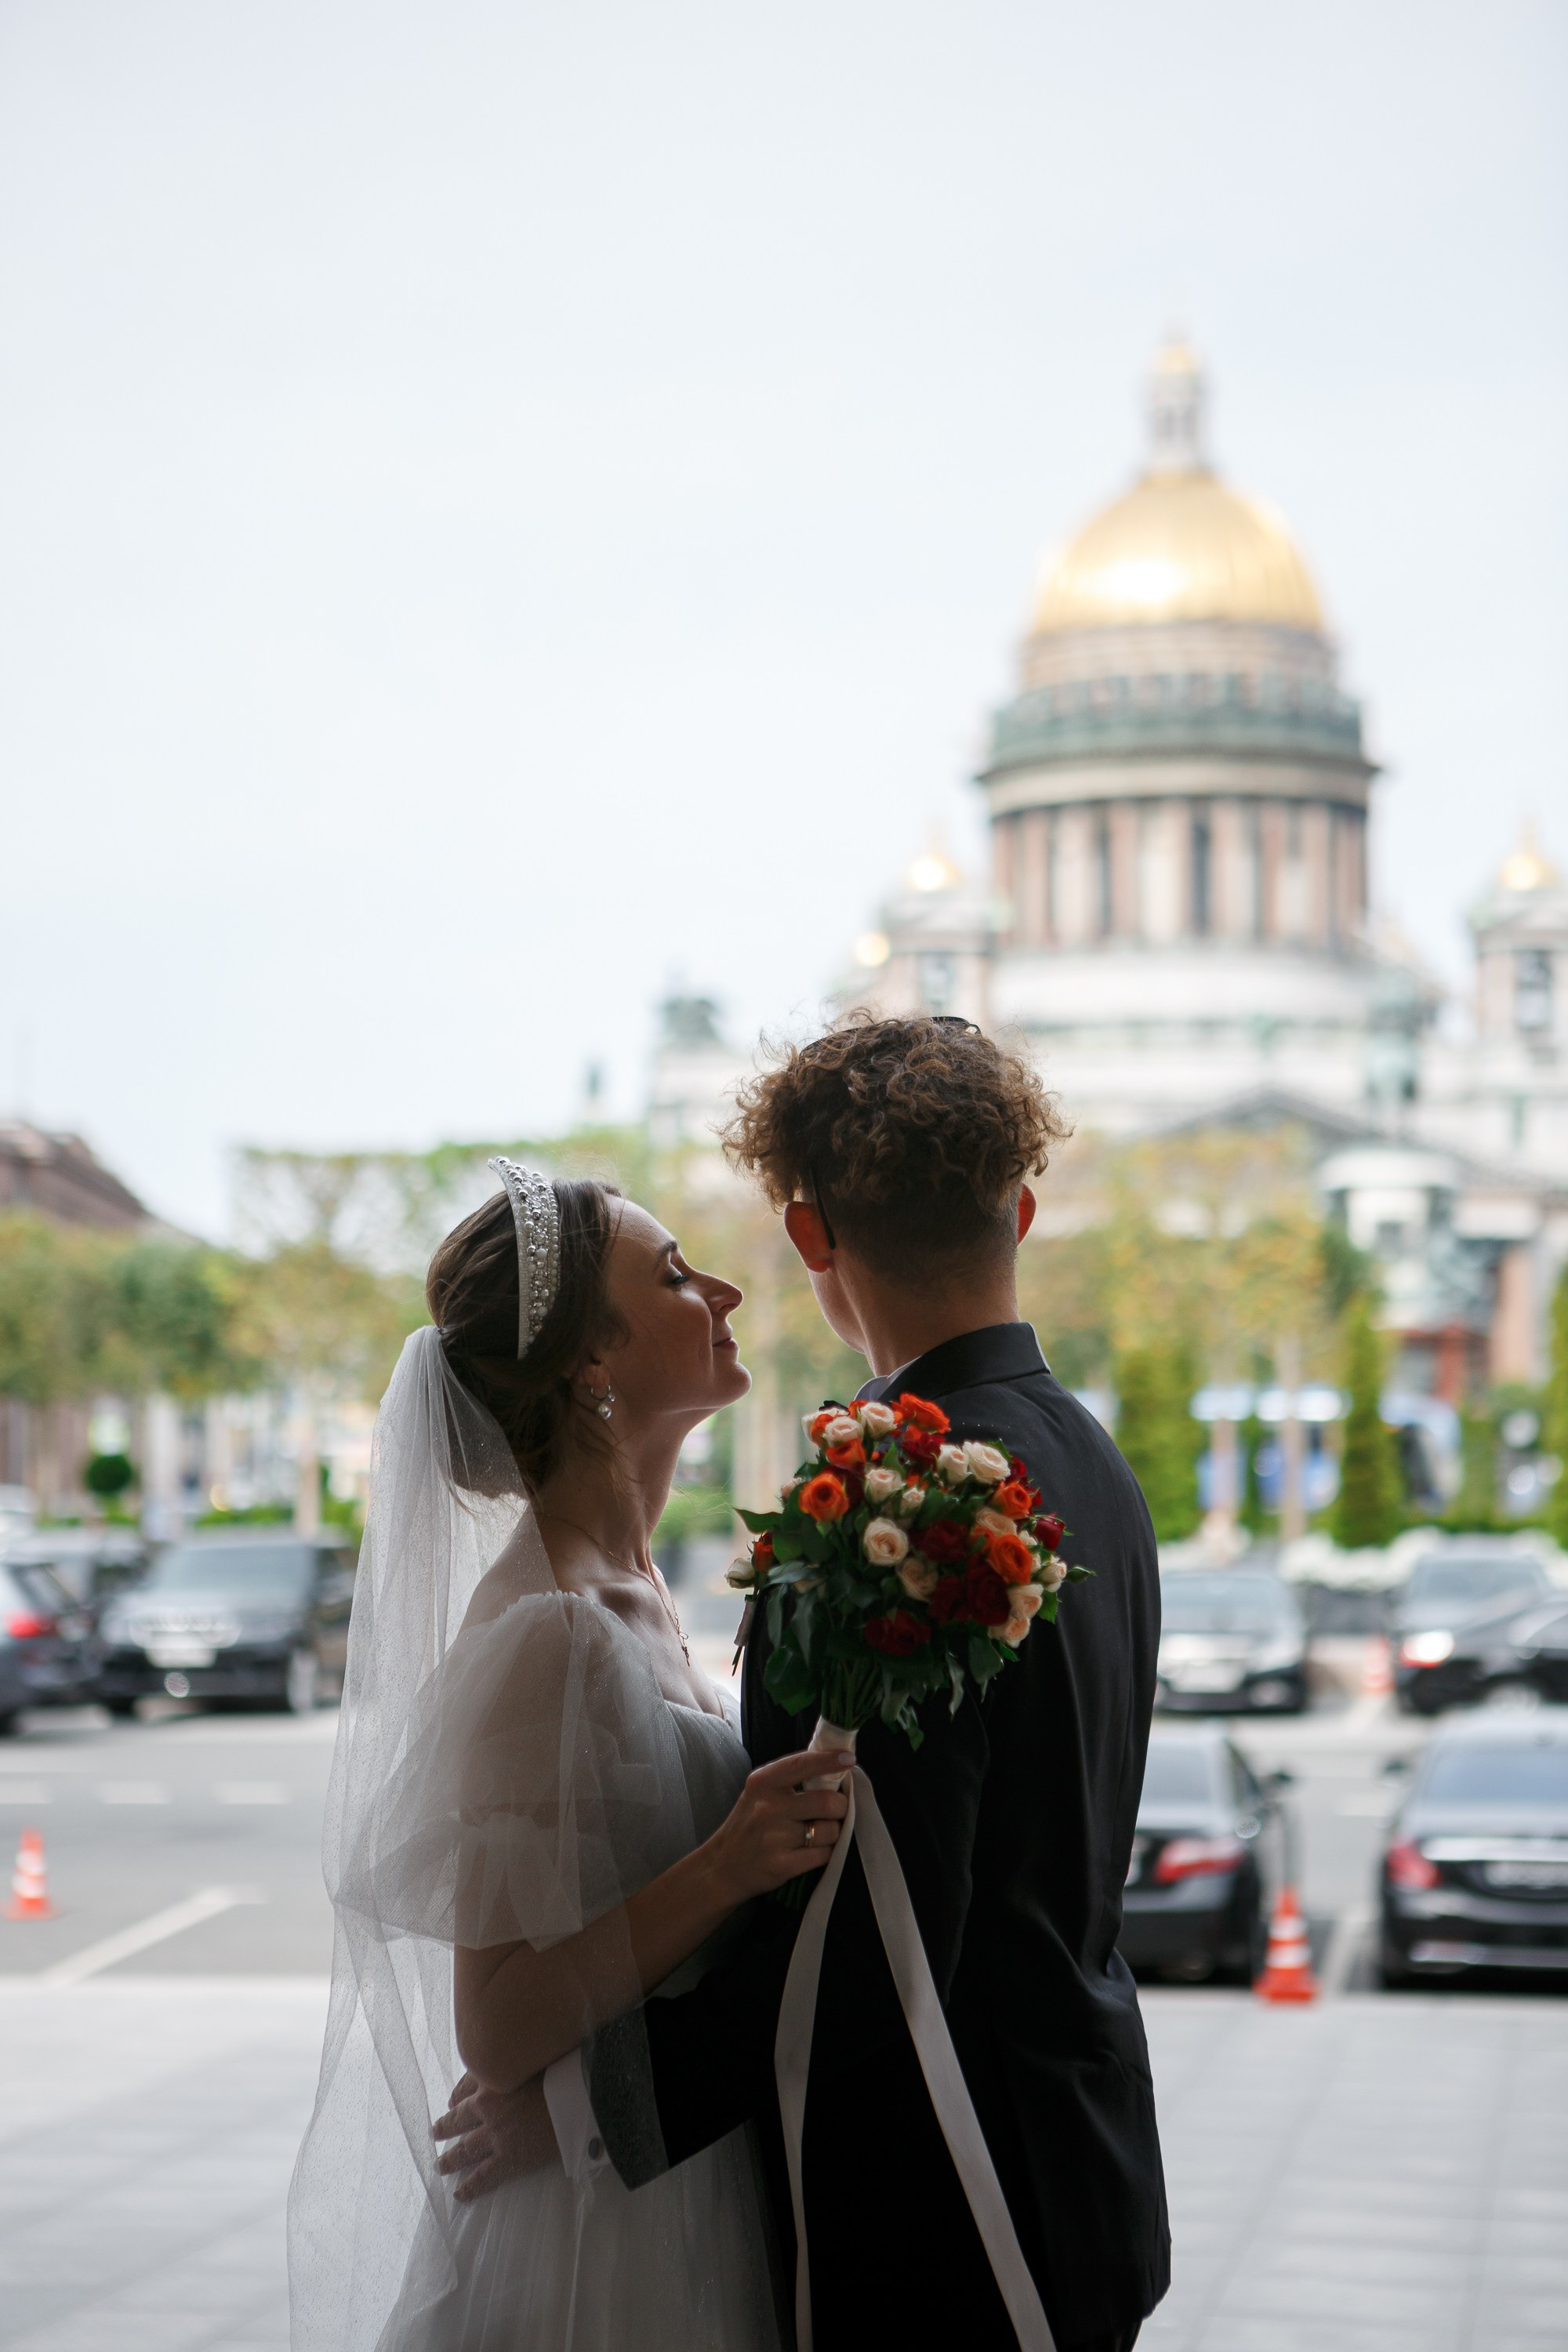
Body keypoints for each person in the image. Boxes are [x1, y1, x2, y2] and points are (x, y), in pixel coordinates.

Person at [440, 1016, 1171, 2352]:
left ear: (807, 1235)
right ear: (1021, 1206)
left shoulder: (892, 1508)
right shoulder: (1096, 1468)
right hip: (1085, 2158)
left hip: (953, 2212)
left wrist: (588, 2104)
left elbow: (863, 1928)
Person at [287, 1161, 848, 2351]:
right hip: (598, 2245)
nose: (730, 1291)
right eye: (676, 1274)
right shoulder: (545, 1632)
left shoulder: (635, 1587)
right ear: (593, 1365)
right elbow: (495, 2027)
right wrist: (730, 1864)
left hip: (679, 2167)